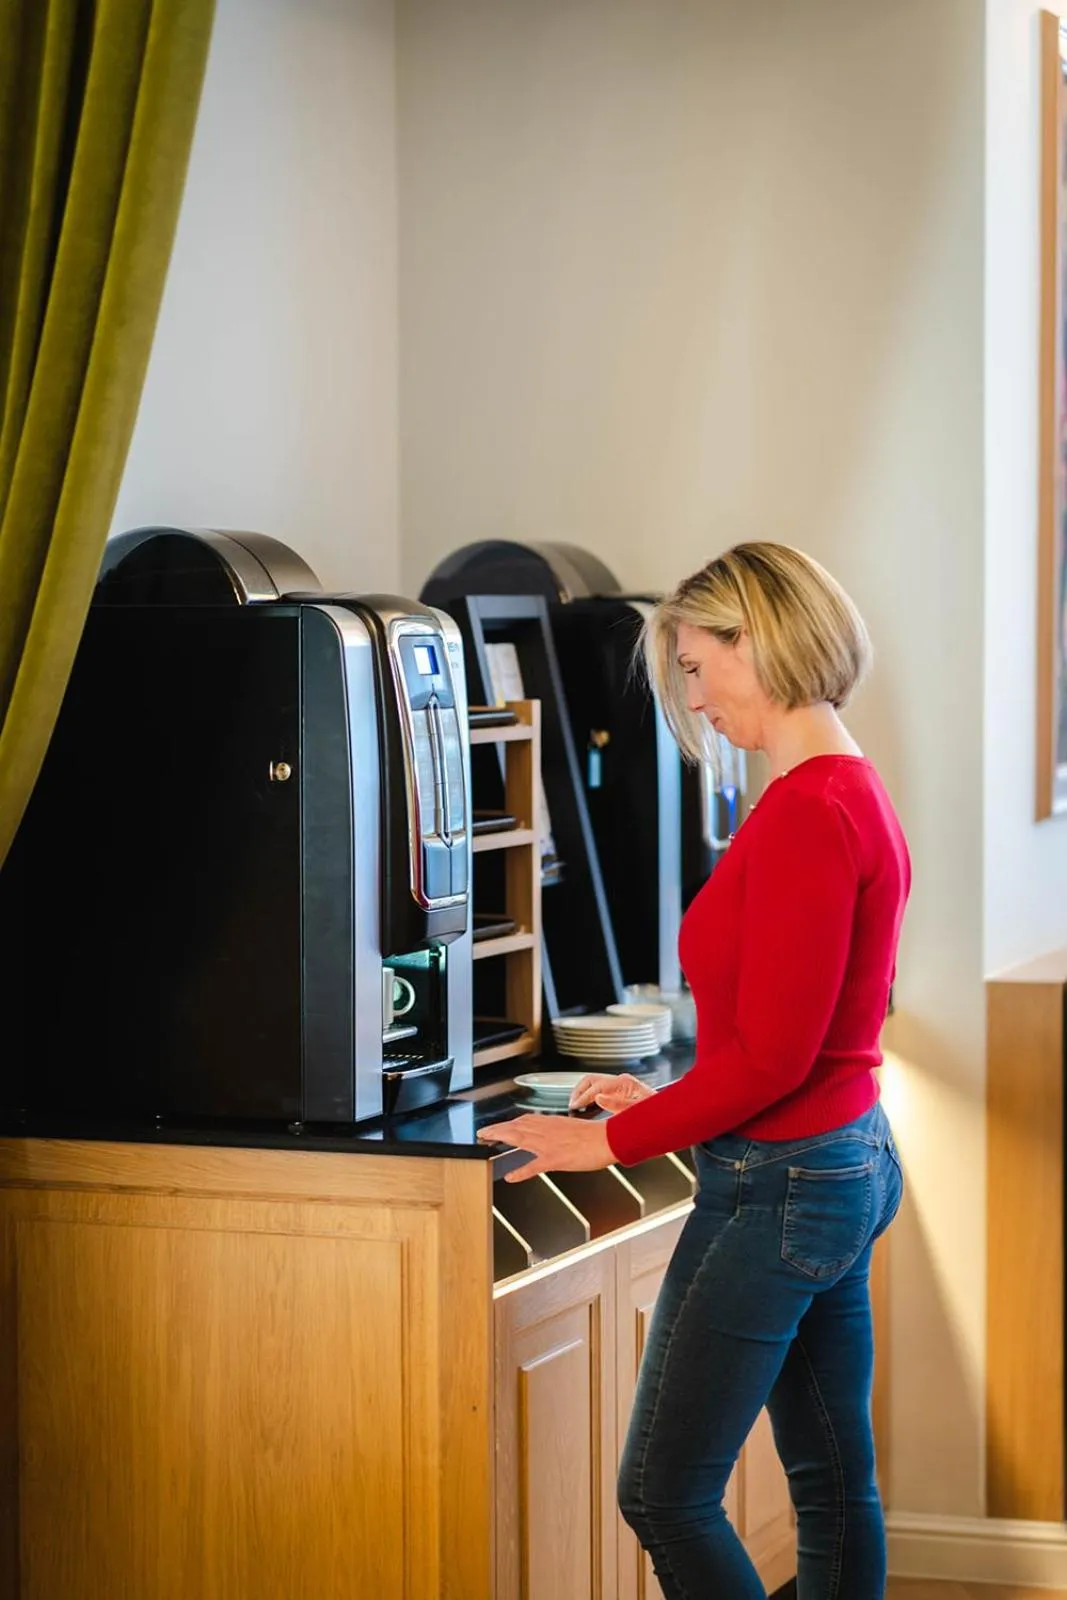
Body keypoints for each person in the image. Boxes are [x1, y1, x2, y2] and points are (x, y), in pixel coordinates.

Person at [478, 541, 909, 1600]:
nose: (695, 698)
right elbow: (798, 1039)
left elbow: (775, 1056)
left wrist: (607, 1142)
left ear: (751, 641)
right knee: (831, 1482)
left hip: (782, 1184)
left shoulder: (806, 810)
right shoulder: (847, 791)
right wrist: (672, 1096)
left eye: (693, 665)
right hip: (840, 1159)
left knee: (662, 1492)